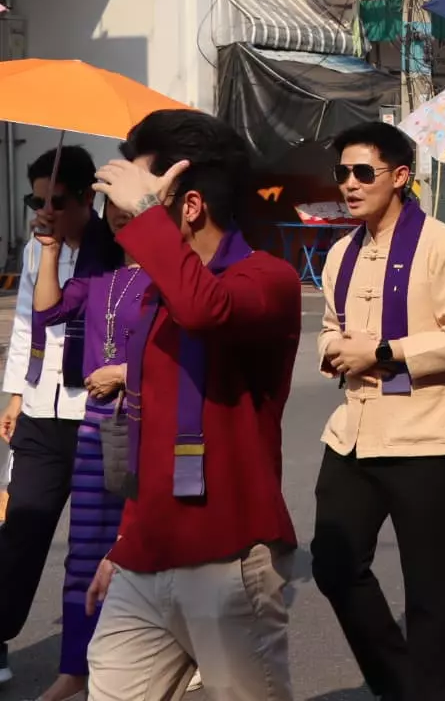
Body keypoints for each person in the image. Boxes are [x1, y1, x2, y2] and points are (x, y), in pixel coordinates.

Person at [81, 111, 303, 700]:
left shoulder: (267, 278)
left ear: (191, 205)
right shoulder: (156, 291)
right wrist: (123, 546)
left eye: (142, 198)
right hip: (145, 557)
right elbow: (145, 430)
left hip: (227, 560)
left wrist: (149, 217)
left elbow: (207, 310)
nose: (126, 213)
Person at [312, 121, 445, 701]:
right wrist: (334, 350)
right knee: (333, 564)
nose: (349, 184)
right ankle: (402, 683)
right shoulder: (341, 251)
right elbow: (330, 328)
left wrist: (386, 352)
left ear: (400, 177)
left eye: (364, 172)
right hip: (354, 432)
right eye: (342, 172)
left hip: (423, 435)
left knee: (426, 585)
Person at [0, 146, 122, 686]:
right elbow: (29, 322)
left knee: (96, 544)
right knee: (21, 525)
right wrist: (15, 395)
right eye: (36, 199)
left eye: (58, 201)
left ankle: (109, 651)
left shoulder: (117, 249)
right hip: (43, 410)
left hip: (100, 411)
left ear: (87, 199)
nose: (45, 210)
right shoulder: (36, 250)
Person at [21, 199, 134, 701]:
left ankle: (178, 654)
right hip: (96, 423)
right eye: (112, 206)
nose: (120, 214)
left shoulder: (178, 274)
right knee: (86, 549)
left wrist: (127, 375)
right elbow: (46, 312)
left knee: (152, 549)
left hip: (159, 426)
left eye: (132, 203)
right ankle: (75, 668)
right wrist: (48, 250)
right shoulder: (99, 274)